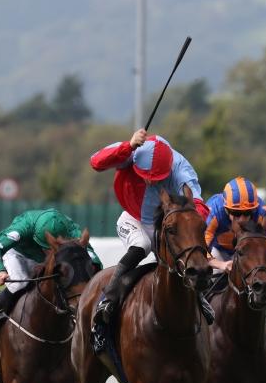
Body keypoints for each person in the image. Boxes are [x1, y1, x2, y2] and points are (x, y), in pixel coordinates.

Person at [89, 128, 213, 327]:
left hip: (164, 222)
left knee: (182, 258)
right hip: (132, 217)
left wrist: (190, 221)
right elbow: (95, 162)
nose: (149, 181)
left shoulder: (181, 168)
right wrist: (127, 146)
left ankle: (199, 298)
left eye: (157, 178)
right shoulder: (134, 152)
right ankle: (108, 298)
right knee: (141, 245)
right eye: (145, 175)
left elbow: (199, 204)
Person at [0, 208, 103, 347]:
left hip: (48, 260)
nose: (49, 250)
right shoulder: (24, 227)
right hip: (17, 255)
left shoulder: (72, 230)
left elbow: (91, 255)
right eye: (46, 248)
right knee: (19, 285)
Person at [205, 176, 266, 332]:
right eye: (236, 213)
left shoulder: (264, 214)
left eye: (247, 213)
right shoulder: (213, 210)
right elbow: (201, 249)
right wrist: (221, 265)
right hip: (219, 251)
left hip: (248, 252)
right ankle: (200, 309)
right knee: (202, 274)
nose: (242, 219)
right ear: (225, 208)